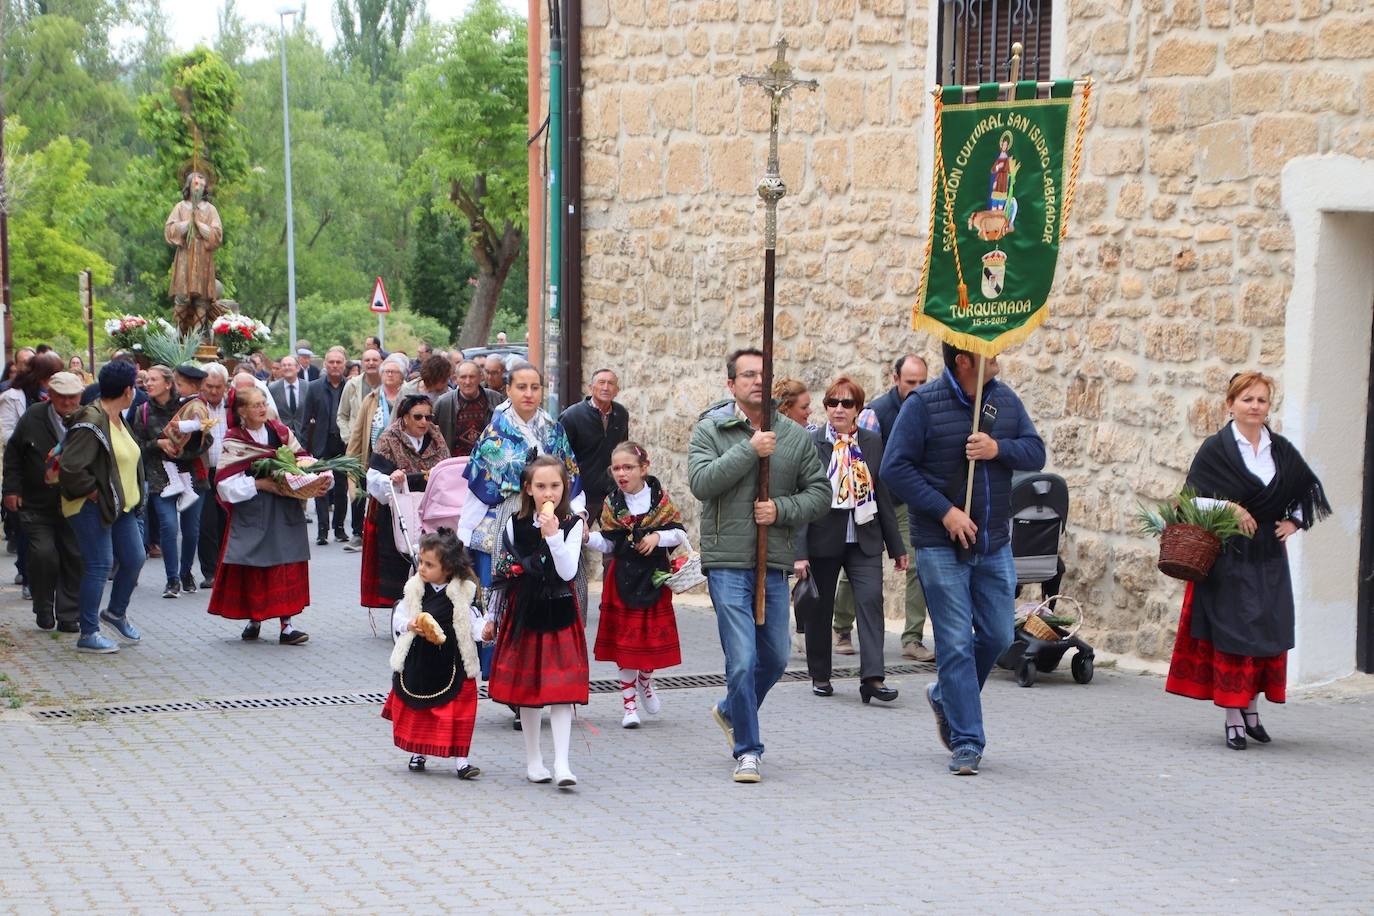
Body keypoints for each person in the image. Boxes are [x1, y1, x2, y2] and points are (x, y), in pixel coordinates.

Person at [881, 343, 1045, 776]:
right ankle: (967, 741)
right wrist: (945, 511)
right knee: (953, 643)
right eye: (989, 353)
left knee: (994, 635)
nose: (999, 357)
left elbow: (1035, 451)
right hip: (939, 543)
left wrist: (997, 449)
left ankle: (944, 695)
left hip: (993, 542)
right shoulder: (922, 404)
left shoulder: (1005, 400)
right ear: (964, 361)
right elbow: (895, 469)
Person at [1165, 371, 1330, 750]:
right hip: (1229, 556)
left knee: (1265, 632)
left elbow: (1309, 490)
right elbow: (1189, 499)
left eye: (1262, 400)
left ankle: (1253, 710)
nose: (1255, 407)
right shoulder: (1216, 449)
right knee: (1234, 634)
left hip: (1269, 555)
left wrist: (1294, 521)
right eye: (1247, 400)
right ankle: (1233, 716)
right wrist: (1229, 506)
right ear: (1230, 404)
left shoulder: (1281, 449)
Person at [687, 348, 830, 784]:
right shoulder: (711, 430)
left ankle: (732, 710)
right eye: (747, 375)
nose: (756, 382)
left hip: (772, 561)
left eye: (762, 375)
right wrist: (750, 450)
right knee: (743, 659)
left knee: (776, 656)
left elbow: (820, 494)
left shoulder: (794, 436)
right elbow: (701, 483)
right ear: (731, 385)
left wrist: (781, 509)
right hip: (727, 561)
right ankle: (748, 750)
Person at [794, 377, 907, 702]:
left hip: (864, 537)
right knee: (819, 606)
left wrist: (896, 547)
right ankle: (820, 674)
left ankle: (872, 678)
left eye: (847, 403)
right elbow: (803, 497)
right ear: (826, 407)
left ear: (858, 408)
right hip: (822, 538)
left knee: (871, 601)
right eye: (833, 403)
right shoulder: (812, 442)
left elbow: (881, 494)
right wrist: (799, 552)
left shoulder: (872, 442)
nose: (839, 409)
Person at [481, 456, 588, 787]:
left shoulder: (572, 523)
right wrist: (491, 616)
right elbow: (504, 572)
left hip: (559, 610)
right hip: (524, 611)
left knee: (561, 692)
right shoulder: (513, 522)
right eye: (540, 486)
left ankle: (563, 763)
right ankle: (533, 760)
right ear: (528, 489)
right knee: (528, 693)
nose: (548, 494)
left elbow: (568, 570)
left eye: (555, 486)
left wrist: (553, 535)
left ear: (564, 487)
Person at [208, 386, 318, 645]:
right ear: (242, 411)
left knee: (287, 564)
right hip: (252, 511)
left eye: (263, 403)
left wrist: (311, 475)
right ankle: (254, 618)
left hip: (284, 508)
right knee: (255, 566)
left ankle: (287, 626)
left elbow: (303, 458)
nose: (261, 409)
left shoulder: (280, 432)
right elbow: (224, 483)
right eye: (255, 405)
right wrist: (259, 485)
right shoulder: (235, 440)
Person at [459, 363, 583, 590]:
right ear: (508, 390)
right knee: (503, 589)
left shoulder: (554, 430)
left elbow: (570, 477)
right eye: (521, 387)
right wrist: (464, 532)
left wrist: (579, 514)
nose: (528, 394)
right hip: (507, 513)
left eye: (535, 387)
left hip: (552, 511)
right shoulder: (494, 434)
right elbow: (479, 490)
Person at [587, 442, 685, 728]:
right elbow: (608, 540)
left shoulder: (660, 500)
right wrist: (585, 538)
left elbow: (679, 533)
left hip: (654, 577)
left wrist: (657, 538)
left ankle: (645, 680)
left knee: (649, 640)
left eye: (628, 467)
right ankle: (629, 705)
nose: (621, 473)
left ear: (644, 468)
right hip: (622, 578)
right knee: (627, 644)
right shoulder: (611, 503)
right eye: (616, 468)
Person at [850, 354, 934, 662]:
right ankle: (840, 628)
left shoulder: (928, 408)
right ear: (895, 379)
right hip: (874, 500)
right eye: (911, 382)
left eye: (923, 382)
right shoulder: (876, 412)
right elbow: (863, 459)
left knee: (916, 566)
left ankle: (912, 638)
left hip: (909, 501)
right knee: (855, 564)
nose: (917, 388)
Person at [58, 360, 145, 654]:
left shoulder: (118, 417)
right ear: (128, 390)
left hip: (121, 506)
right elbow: (70, 468)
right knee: (99, 565)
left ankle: (115, 613)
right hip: (90, 506)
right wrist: (94, 493)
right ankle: (88, 632)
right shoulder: (92, 420)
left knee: (134, 558)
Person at [383, 529, 483, 779]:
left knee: (458, 712)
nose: (422, 568)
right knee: (420, 709)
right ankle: (418, 752)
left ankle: (462, 761)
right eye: (421, 562)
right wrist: (409, 625)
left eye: (429, 564)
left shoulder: (464, 592)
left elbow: (473, 623)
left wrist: (486, 631)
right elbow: (400, 616)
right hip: (420, 659)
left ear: (448, 568)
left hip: (452, 660)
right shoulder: (415, 589)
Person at [3, 371, 85, 632]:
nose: (69, 403)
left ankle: (69, 614)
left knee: (74, 556)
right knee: (44, 554)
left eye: (73, 398)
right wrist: (11, 490)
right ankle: (42, 604)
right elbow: (14, 455)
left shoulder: (87, 417)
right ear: (51, 396)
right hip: (37, 503)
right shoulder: (34, 416)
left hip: (74, 502)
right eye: (63, 398)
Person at [128, 364, 213, 598]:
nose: (148, 383)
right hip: (159, 476)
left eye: (154, 379)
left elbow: (207, 440)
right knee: (168, 526)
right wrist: (158, 444)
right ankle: (172, 579)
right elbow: (136, 444)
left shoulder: (189, 405)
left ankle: (186, 573)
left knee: (191, 529)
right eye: (147, 380)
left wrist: (183, 450)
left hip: (193, 474)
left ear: (168, 383)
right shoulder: (142, 411)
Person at [361, 395, 450, 611]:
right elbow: (373, 476)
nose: (424, 422)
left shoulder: (436, 437)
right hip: (396, 507)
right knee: (400, 558)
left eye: (428, 417)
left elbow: (446, 467)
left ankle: (430, 603)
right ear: (405, 417)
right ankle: (401, 607)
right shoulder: (390, 437)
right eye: (417, 417)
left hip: (429, 505)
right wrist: (392, 478)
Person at [558, 368, 631, 525]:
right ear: (591, 388)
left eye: (611, 384)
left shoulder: (621, 414)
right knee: (575, 538)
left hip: (612, 491)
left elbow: (624, 450)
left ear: (617, 391)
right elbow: (561, 457)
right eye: (601, 382)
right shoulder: (572, 416)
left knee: (617, 541)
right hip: (581, 492)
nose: (606, 387)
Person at [164, 170, 225, 336]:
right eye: (196, 184)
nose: (199, 188)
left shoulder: (210, 209)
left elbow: (217, 234)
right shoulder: (180, 207)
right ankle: (178, 333)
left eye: (202, 185)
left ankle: (197, 334)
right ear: (189, 186)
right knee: (182, 295)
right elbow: (170, 230)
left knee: (202, 299)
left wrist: (199, 224)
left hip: (203, 258)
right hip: (185, 254)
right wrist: (187, 224)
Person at [299, 346, 350, 545]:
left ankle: (339, 528)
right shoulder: (314, 387)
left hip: (343, 443)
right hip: (321, 442)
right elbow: (305, 420)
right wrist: (303, 450)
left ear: (344, 364)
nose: (335, 365)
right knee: (320, 486)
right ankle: (322, 530)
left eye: (338, 362)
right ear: (325, 364)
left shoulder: (350, 386)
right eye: (331, 362)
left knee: (341, 488)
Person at [196, 364, 230, 589]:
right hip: (204, 471)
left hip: (228, 471)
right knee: (206, 522)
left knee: (226, 520)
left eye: (219, 387)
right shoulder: (194, 407)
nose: (214, 391)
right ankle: (209, 571)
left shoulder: (233, 406)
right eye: (209, 386)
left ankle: (226, 568)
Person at [433, 359, 499, 458]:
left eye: (472, 377)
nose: (467, 382)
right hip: (453, 464)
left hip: (488, 463)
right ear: (456, 379)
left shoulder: (496, 400)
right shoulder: (443, 403)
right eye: (463, 377)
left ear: (481, 377)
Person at [268, 355, 306, 438]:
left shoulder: (308, 387)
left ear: (298, 368)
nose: (286, 368)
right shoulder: (272, 388)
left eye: (289, 365)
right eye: (284, 365)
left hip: (304, 434)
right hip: (282, 436)